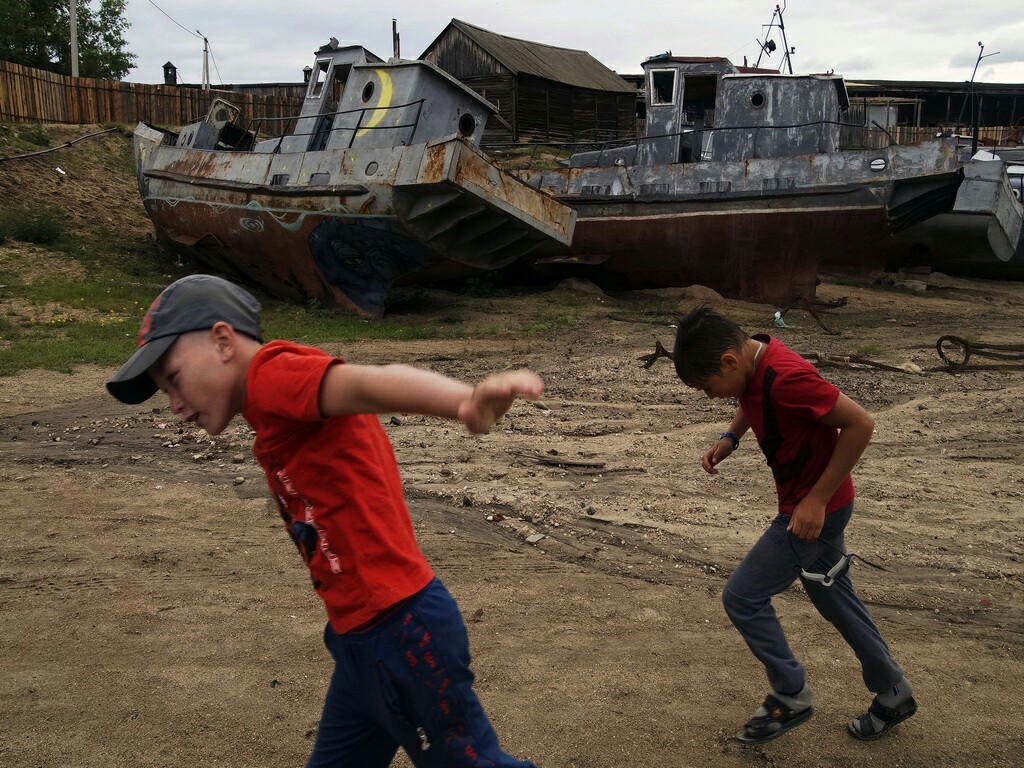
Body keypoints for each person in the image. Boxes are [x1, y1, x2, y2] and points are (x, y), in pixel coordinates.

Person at [106, 274, 541, 768]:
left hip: (400, 632)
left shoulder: (272, 378)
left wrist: (464, 404)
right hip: (359, 643)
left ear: (223, 342)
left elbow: (364, 383)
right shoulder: (270, 415)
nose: (175, 403)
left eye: (175, 378)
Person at [672, 306, 916, 745]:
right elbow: (751, 397)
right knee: (834, 599)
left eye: (709, 388)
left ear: (729, 360)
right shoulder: (755, 361)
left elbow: (861, 422)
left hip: (812, 512)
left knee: (743, 597)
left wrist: (816, 500)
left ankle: (790, 694)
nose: (711, 396)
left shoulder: (787, 377)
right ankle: (893, 691)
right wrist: (731, 437)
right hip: (815, 506)